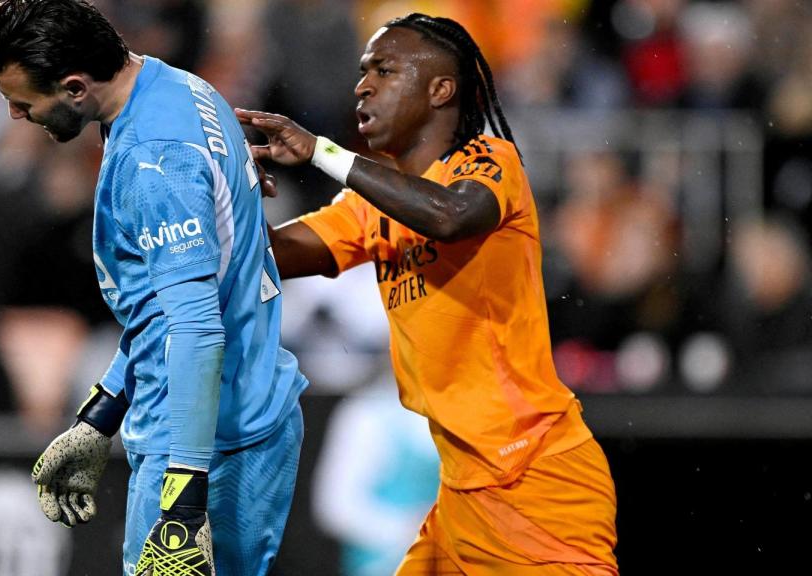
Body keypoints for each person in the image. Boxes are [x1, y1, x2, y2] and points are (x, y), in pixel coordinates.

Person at [237, 13, 618, 575]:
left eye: (385, 70)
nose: (363, 85)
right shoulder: (370, 206)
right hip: (461, 490)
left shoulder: (489, 161)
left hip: (534, 478)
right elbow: (260, 257)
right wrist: (217, 202)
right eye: (363, 72)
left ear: (441, 89)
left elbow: (449, 215)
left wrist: (324, 153)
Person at [0, 2, 308, 575]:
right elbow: (170, 308)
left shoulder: (153, 160)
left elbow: (197, 330)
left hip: (207, 444)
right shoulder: (175, 86)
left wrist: (182, 506)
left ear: (76, 87)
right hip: (245, 417)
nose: (14, 114)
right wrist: (102, 413)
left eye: (24, 102)